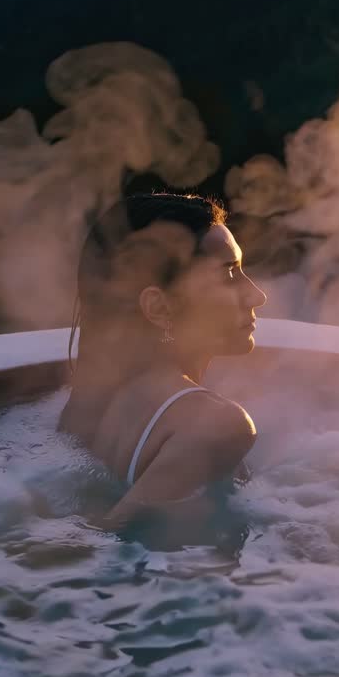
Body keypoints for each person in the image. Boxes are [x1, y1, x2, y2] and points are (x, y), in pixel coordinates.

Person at [58, 192, 266, 529]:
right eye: (229, 275)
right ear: (159, 308)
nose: (258, 295)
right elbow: (114, 540)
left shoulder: (86, 407)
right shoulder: (217, 424)